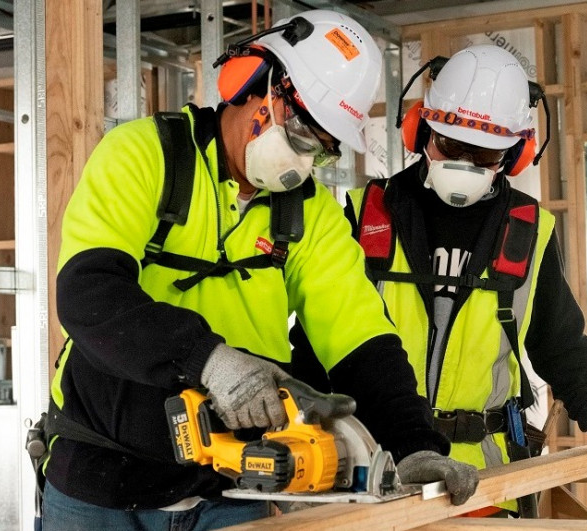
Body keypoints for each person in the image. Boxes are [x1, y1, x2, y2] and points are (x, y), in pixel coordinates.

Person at [41, 10, 478, 531]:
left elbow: (361, 337)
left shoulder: (307, 210)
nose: (305, 157)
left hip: (235, 489)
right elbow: (89, 294)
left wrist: (413, 445)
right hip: (100, 483)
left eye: (322, 146)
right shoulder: (142, 154)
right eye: (300, 131)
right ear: (258, 86)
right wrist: (208, 361)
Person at [291, 44, 587, 517]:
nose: (466, 164)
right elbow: (312, 351)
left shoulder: (529, 232)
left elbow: (561, 346)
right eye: (452, 145)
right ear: (421, 129)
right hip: (366, 470)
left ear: (515, 153)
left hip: (483, 482)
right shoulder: (361, 216)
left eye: (487, 153)